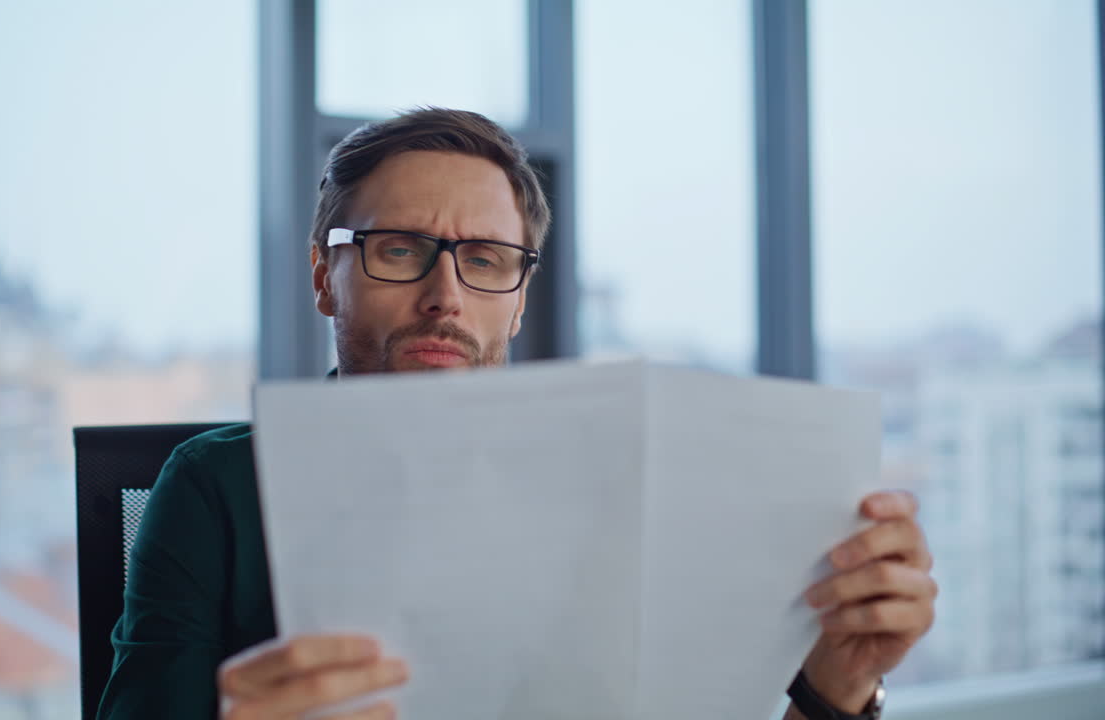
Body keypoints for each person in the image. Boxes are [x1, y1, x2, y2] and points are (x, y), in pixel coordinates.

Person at [95, 108, 936, 720]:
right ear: (325, 275)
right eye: (398, 251)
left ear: (522, 297)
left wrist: (836, 686)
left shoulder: (630, 489)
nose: (445, 297)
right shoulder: (214, 486)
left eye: (487, 260)